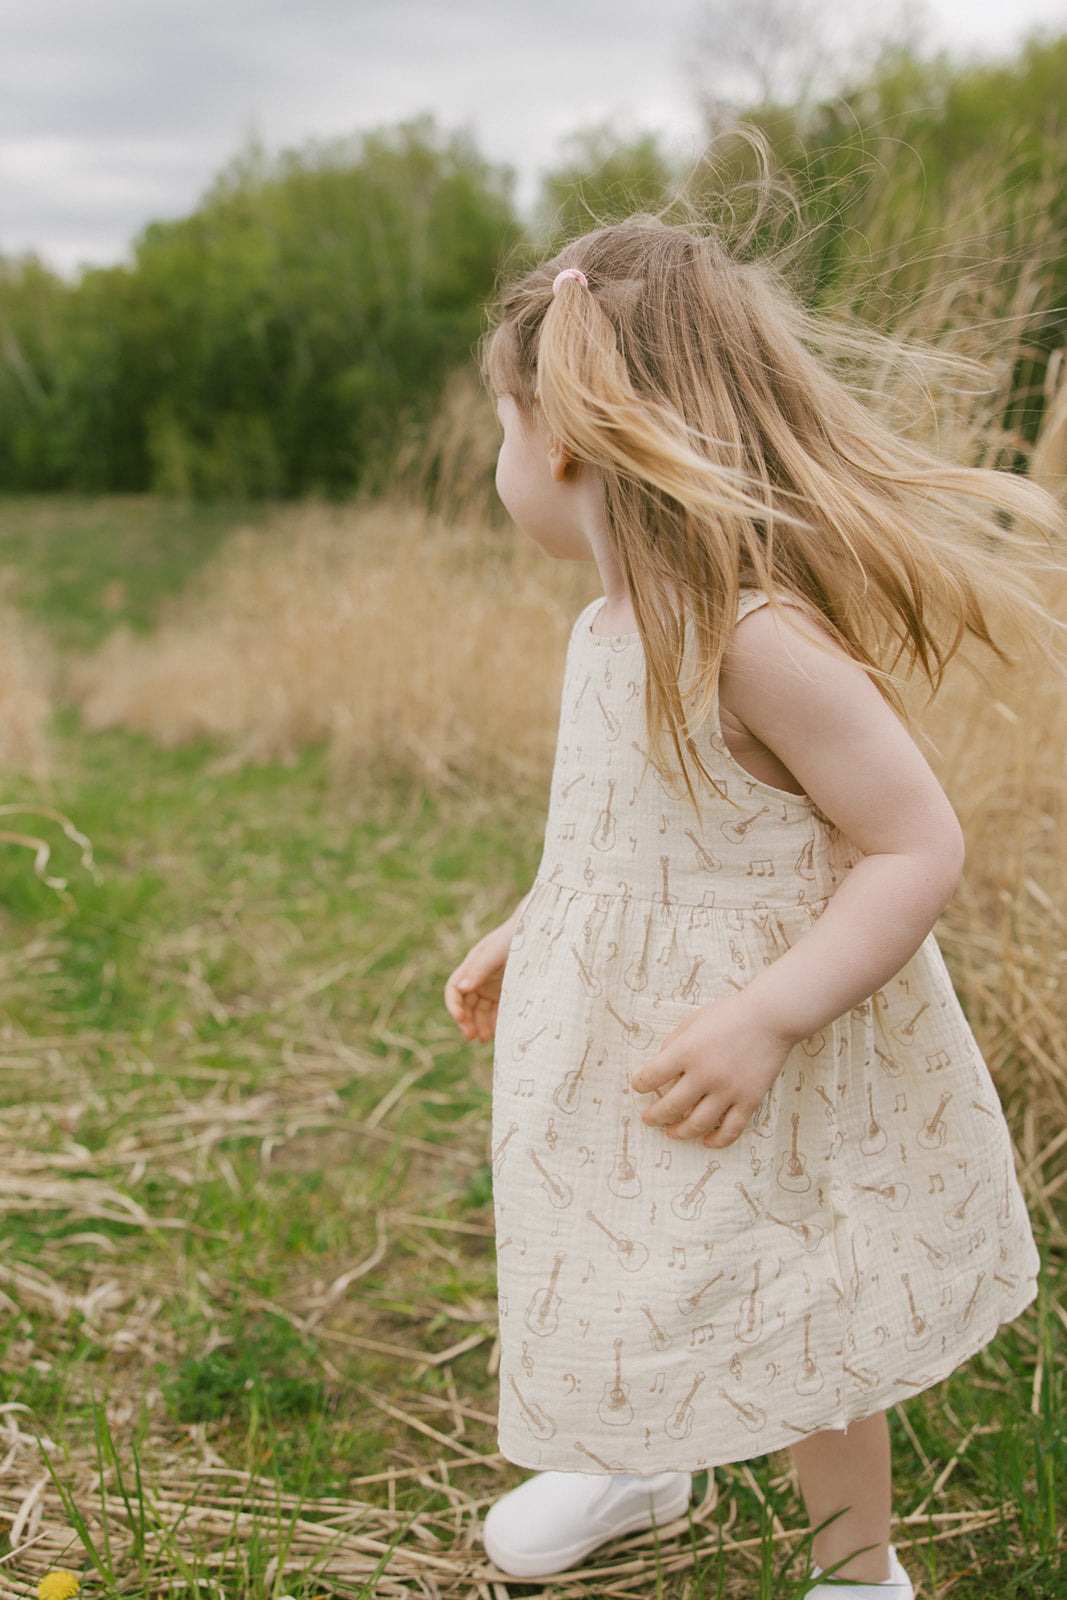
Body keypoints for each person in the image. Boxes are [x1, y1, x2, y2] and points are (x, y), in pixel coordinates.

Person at [444, 215, 1061, 1598]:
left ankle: (862, 1574)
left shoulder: (755, 639)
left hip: (761, 1044)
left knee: (804, 1304)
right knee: (615, 1247)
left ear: (558, 443)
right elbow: (613, 836)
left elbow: (914, 846)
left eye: (501, 422)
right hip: (620, 1035)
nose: (500, 459)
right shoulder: (600, 633)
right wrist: (530, 926)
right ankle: (638, 1449)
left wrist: (770, 1018)